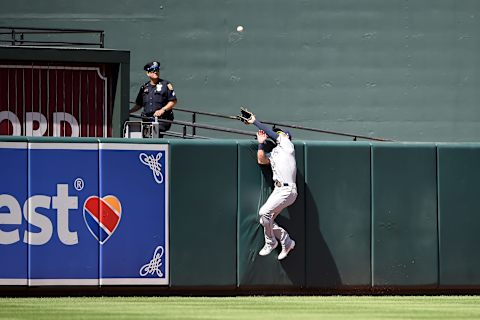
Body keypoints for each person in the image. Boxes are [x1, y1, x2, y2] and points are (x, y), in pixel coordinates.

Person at [247, 115, 298, 260]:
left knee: (264, 212)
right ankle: (286, 241)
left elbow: (272, 133)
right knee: (265, 219)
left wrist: (255, 122)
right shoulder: (276, 153)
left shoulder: (288, 146)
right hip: (279, 190)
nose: (277, 135)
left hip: (287, 189)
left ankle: (271, 242)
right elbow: (261, 160)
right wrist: (261, 144)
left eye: (280, 133)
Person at [129, 61, 177, 137]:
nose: (155, 72)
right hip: (147, 120)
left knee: (155, 133)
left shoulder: (165, 84)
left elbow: (173, 101)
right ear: (148, 73)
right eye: (153, 70)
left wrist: (162, 110)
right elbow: (139, 104)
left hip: (161, 120)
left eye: (157, 70)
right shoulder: (144, 87)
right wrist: (129, 111)